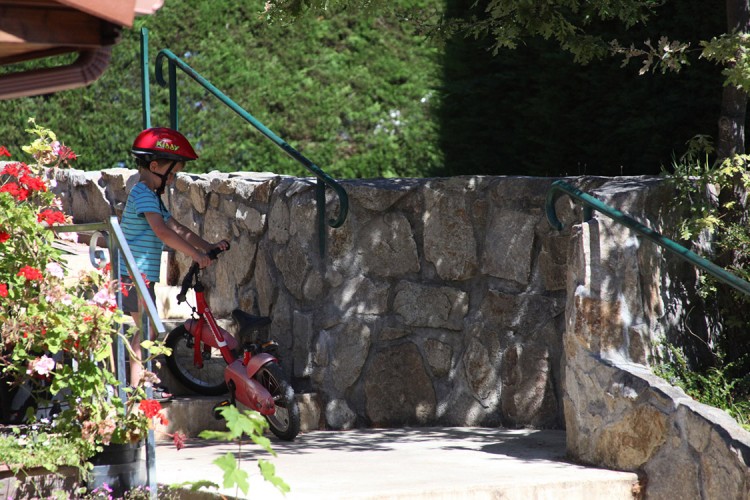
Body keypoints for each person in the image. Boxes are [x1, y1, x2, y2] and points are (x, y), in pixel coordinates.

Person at [119, 127, 228, 400]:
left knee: (149, 328)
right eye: (172, 173)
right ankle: (137, 388)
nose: (172, 180)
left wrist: (206, 246)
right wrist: (195, 255)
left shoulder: (151, 195)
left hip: (141, 274)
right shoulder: (143, 193)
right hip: (132, 274)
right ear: (155, 166)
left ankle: (140, 385)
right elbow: (162, 232)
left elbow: (174, 225)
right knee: (148, 329)